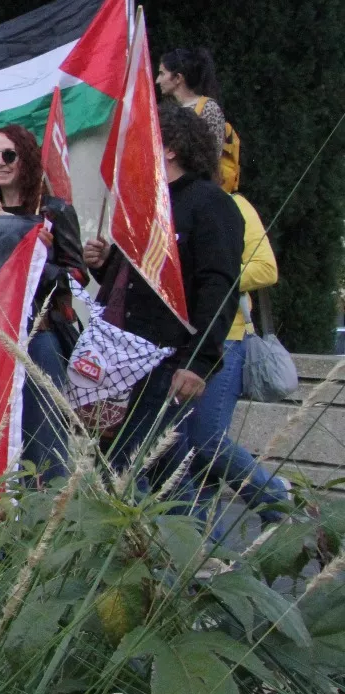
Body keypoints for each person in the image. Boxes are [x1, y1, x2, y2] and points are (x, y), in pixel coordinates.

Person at [82, 103, 243, 486]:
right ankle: (202, 544)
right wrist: (105, 265)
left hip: (169, 361)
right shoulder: (145, 204)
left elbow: (218, 287)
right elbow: (138, 284)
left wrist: (199, 362)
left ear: (170, 148)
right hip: (123, 361)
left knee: (124, 467)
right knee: (159, 472)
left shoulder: (210, 204)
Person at [0, 124, 84, 477]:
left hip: (40, 334)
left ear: (26, 158)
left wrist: (43, 263)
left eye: (9, 155)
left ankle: (51, 518)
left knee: (46, 438)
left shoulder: (53, 210)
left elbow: (78, 275)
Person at [184, 192, 291, 531]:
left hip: (227, 336)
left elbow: (265, 269)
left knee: (207, 438)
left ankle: (278, 503)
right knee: (191, 452)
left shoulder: (235, 204)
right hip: (183, 340)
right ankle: (204, 546)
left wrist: (211, 276)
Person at [157, 47, 238, 192]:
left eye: (162, 74)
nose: (158, 80)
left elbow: (212, 160)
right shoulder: (167, 109)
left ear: (178, 78)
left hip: (194, 190)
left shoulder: (208, 108)